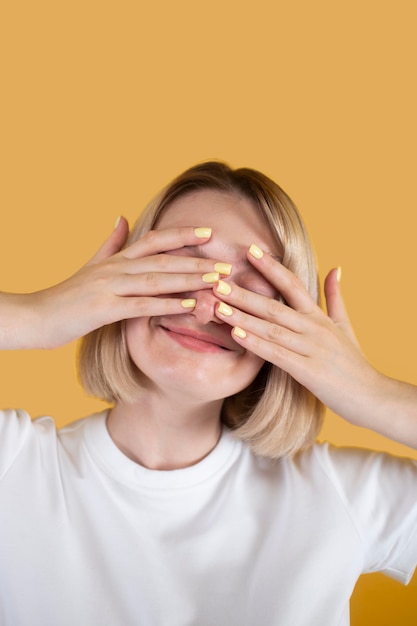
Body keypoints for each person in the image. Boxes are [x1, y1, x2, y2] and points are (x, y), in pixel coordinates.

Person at [0, 161, 416, 626]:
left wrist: (373, 394)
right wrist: (34, 317)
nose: (204, 309)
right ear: (116, 281)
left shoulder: (343, 495)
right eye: (181, 269)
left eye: (250, 294)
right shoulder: (13, 467)